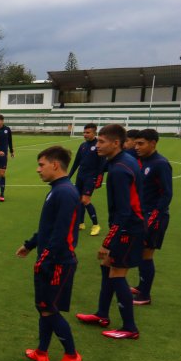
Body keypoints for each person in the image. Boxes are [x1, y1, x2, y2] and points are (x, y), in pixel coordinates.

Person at [15, 146, 82, 361]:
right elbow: (48, 227)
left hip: (57, 262)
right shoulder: (57, 189)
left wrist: (45, 258)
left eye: (41, 165)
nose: (38, 170)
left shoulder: (65, 192)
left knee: (49, 309)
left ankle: (72, 355)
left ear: (55, 165)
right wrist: (31, 244)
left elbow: (61, 233)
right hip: (50, 258)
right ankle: (42, 351)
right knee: (42, 307)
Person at [75, 124, 145, 339]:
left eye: (101, 142)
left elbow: (124, 212)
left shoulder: (119, 170)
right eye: (97, 141)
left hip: (129, 228)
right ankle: (102, 314)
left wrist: (107, 242)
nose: (97, 146)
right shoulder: (120, 161)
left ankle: (129, 328)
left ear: (116, 143)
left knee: (116, 273)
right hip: (127, 226)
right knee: (107, 267)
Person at [131, 128, 173, 306]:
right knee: (141, 252)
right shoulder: (140, 161)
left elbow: (167, 194)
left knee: (146, 254)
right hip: (142, 214)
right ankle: (141, 286)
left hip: (154, 217)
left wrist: (153, 217)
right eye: (136, 143)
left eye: (141, 144)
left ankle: (145, 295)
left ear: (153, 143)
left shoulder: (160, 164)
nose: (136, 147)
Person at [67, 123, 104, 236]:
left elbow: (102, 164)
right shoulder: (82, 145)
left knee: (85, 200)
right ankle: (81, 223)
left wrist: (99, 178)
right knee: (79, 200)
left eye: (88, 132)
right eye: (84, 132)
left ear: (94, 132)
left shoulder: (98, 146)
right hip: (80, 176)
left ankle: (96, 225)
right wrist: (68, 176)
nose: (85, 134)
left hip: (91, 177)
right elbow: (76, 162)